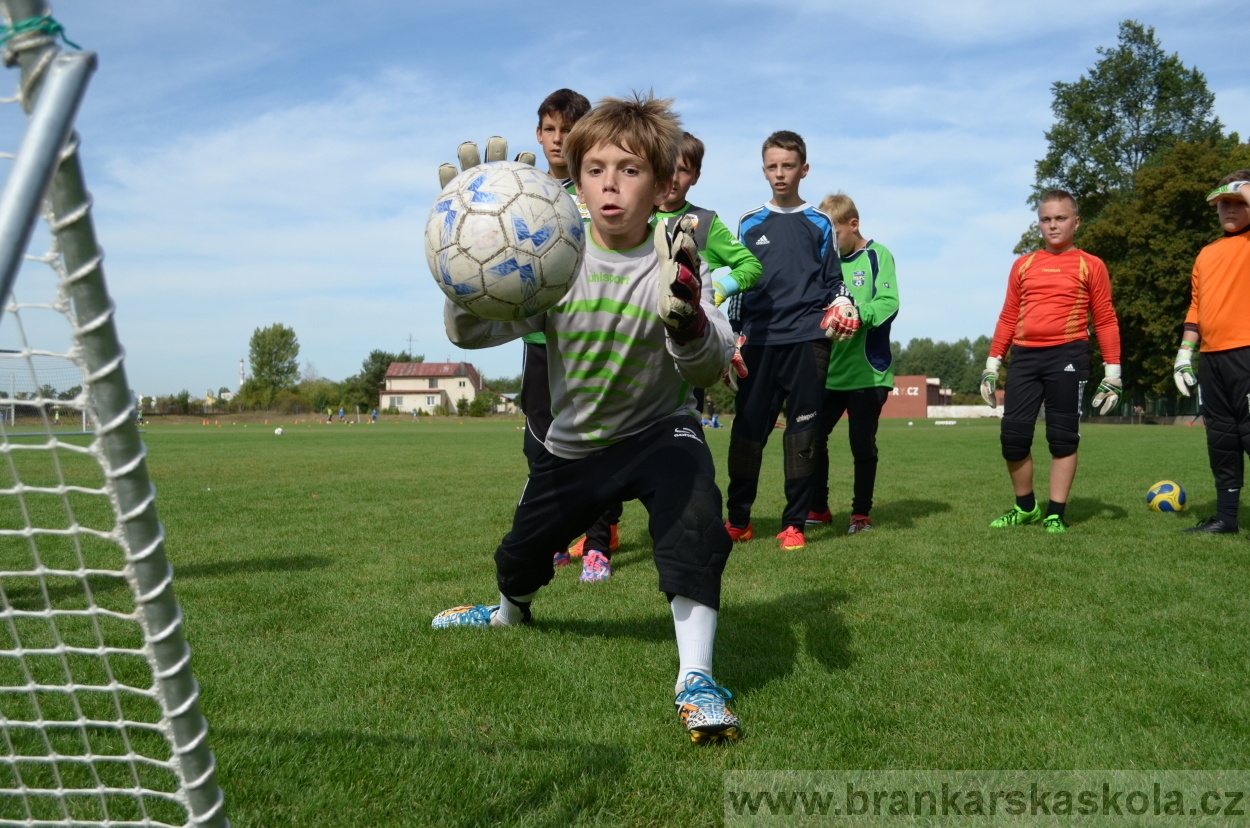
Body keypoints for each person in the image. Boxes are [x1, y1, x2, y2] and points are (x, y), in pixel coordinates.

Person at [433, 93, 741, 745]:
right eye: (596, 168)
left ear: (661, 187)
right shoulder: (551, 252)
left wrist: (687, 325)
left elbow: (709, 363)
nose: (610, 184)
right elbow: (472, 336)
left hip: (661, 430)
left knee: (695, 521)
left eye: (630, 170)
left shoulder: (679, 257)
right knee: (518, 557)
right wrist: (462, 269)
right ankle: (509, 614)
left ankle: (697, 678)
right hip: (575, 445)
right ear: (576, 175)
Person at [724, 130, 858, 551]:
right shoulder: (748, 222)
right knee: (747, 434)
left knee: (803, 435)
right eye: (772, 166)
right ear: (763, 169)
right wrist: (733, 341)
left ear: (804, 169)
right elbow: (739, 289)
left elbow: (834, 281)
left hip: (807, 339)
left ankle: (793, 524)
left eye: (787, 166)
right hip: (759, 342)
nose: (779, 174)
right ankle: (739, 520)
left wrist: (844, 304)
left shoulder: (820, 223)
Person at [980, 189, 1122, 533]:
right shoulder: (1023, 264)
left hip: (1068, 355)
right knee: (1012, 438)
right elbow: (1008, 315)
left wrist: (1113, 373)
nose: (1053, 225)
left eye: (1060, 218)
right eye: (1046, 219)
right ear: (1039, 223)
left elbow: (1104, 319)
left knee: (1062, 439)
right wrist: (991, 364)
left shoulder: (1092, 265)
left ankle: (1056, 512)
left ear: (1076, 221)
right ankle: (1025, 507)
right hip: (1024, 357)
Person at [808, 193, 899, 535]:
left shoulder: (878, 256)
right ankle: (818, 507)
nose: (830, 244)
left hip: (868, 371)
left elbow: (889, 302)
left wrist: (857, 314)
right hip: (828, 373)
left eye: (835, 235)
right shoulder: (824, 263)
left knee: (861, 444)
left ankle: (861, 514)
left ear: (853, 224)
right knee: (812, 437)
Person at [1171, 172, 1250, 534]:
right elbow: (1196, 309)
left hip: (1246, 354)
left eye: (1238, 203)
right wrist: (1184, 355)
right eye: (1224, 204)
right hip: (1212, 358)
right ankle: (1226, 518)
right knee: (1221, 440)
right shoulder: (1206, 255)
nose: (1229, 210)